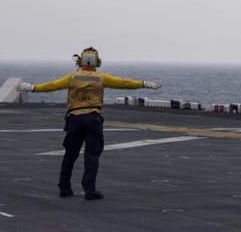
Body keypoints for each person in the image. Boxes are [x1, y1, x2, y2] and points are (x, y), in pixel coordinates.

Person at [16, 48, 161, 200]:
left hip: (75, 118)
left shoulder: (72, 77)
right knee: (92, 154)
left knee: (70, 154)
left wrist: (31, 88)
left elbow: (51, 86)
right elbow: (124, 83)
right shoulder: (101, 78)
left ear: (80, 61)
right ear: (97, 62)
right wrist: (145, 84)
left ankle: (64, 188)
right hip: (93, 119)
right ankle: (90, 190)